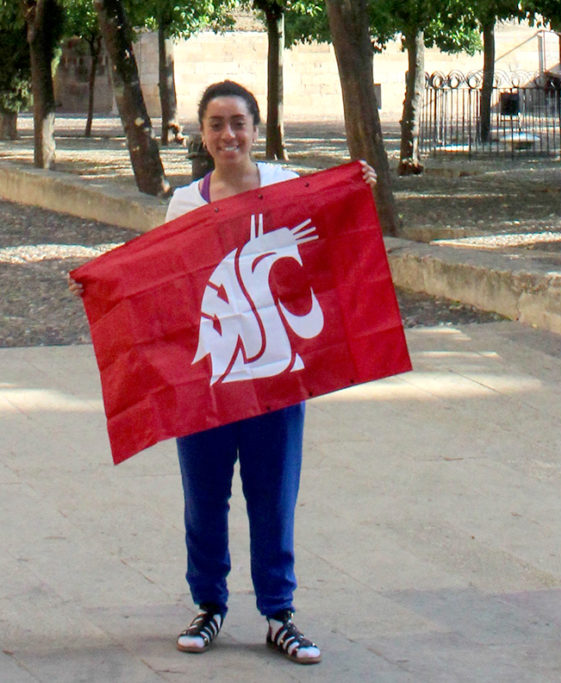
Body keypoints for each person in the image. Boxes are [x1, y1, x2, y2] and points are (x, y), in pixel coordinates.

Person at [71, 80, 377, 665]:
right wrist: (99, 283)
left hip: (277, 375)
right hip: (208, 378)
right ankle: (209, 605)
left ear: (256, 129)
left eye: (238, 122)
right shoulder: (186, 203)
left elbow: (334, 242)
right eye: (216, 124)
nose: (227, 134)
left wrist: (354, 191)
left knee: (274, 494)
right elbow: (159, 282)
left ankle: (278, 613)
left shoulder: (289, 189)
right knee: (205, 496)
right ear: (203, 134)